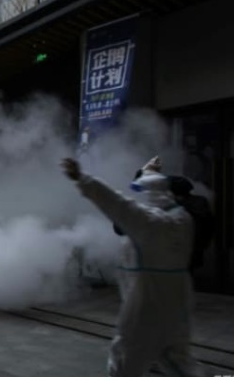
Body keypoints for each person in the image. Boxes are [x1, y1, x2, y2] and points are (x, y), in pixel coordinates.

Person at [61, 156, 201, 376]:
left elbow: (118, 203)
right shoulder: (183, 218)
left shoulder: (148, 222)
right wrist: (146, 172)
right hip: (178, 298)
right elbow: (136, 201)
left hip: (146, 301)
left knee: (125, 359)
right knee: (177, 361)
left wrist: (82, 179)